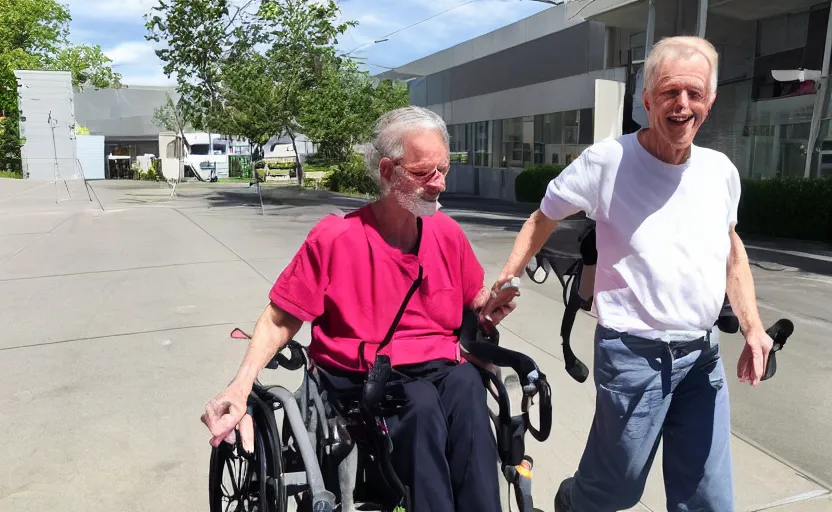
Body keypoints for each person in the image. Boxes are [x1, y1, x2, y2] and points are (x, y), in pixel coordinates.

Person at [480, 36, 773, 512]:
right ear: (647, 99)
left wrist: (753, 327)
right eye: (669, 93)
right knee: (615, 492)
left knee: (710, 500)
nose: (682, 105)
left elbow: (731, 250)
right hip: (633, 355)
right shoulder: (608, 161)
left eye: (694, 94)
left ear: (710, 101)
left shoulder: (721, 171)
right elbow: (542, 217)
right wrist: (507, 279)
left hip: (701, 356)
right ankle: (573, 500)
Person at [201, 106, 514, 511]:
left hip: (438, 366)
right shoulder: (336, 237)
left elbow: (474, 299)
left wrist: (490, 305)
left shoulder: (447, 233)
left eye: (443, 169)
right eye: (422, 173)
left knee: (470, 388)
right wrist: (241, 387)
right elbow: (281, 317)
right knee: (419, 406)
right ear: (387, 171)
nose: (438, 184)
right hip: (364, 377)